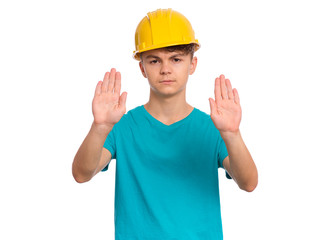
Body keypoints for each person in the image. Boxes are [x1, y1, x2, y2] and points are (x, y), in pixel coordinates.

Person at [72, 8, 258, 240]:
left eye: (176, 59)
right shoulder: (121, 126)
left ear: (192, 64)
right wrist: (99, 127)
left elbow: (248, 183)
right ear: (142, 68)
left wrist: (232, 134)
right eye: (154, 60)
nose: (165, 69)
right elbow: (81, 174)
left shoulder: (213, 127)